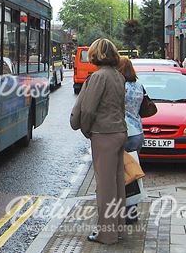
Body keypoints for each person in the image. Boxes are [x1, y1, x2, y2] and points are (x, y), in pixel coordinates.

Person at [70, 38, 128, 245]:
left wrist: (87, 130)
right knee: (117, 184)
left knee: (104, 187)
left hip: (104, 135)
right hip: (120, 131)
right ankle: (118, 229)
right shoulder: (117, 76)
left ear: (96, 55)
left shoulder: (98, 77)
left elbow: (88, 109)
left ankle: (107, 234)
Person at [119, 57, 144, 153]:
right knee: (133, 166)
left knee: (120, 167)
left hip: (125, 132)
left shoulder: (121, 85)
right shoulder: (139, 85)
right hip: (138, 131)